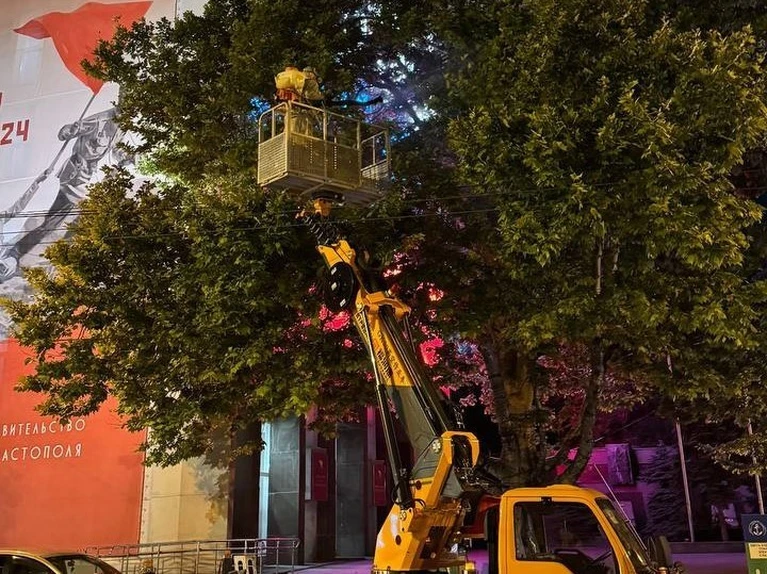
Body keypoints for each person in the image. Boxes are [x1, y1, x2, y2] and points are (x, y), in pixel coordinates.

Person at [0, 107, 125, 282]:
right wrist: (70, 130)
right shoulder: (99, 121)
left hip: (88, 180)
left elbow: (115, 149)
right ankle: (22, 256)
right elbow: (64, 133)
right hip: (73, 179)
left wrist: (125, 156)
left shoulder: (122, 125)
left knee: (62, 223)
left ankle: (53, 260)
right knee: (53, 224)